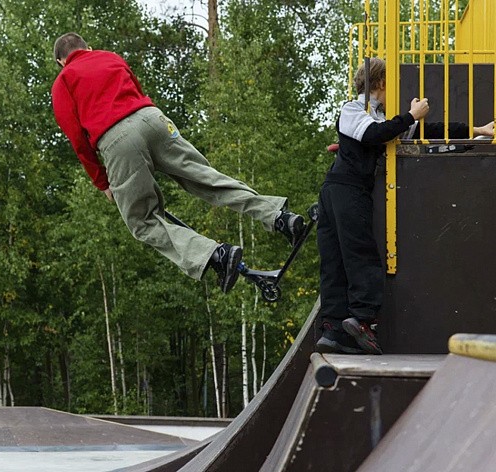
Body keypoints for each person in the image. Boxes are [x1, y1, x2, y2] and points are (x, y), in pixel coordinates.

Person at [50, 32, 305, 293]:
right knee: (204, 176)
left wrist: (103, 182)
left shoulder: (63, 83)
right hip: (152, 118)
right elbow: (136, 89)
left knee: (142, 222)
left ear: (61, 61)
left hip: (117, 137)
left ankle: (215, 255)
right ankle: (278, 216)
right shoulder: (110, 58)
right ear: (88, 48)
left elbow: (77, 139)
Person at [315, 57, 495, 355]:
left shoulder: (385, 119)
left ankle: (337, 329)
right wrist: (410, 115)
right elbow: (373, 134)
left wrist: (477, 129)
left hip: (342, 190)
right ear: (382, 83)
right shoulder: (355, 109)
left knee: (341, 257)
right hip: (343, 189)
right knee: (354, 255)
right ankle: (358, 322)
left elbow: (430, 131)